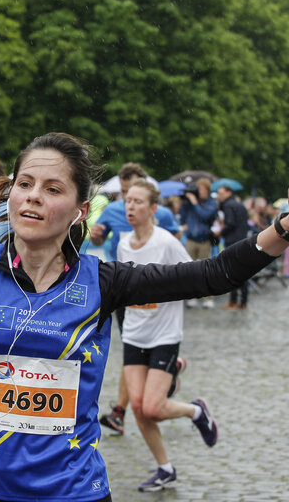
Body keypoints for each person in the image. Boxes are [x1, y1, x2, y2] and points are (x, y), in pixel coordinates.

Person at [0, 2, 289, 501]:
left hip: (75, 492)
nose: (34, 196)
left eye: (53, 188)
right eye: (25, 183)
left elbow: (213, 274)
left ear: (80, 210)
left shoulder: (103, 282)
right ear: (11, 194)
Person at [118, 179, 217, 491]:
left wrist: (162, 290)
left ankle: (196, 410)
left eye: (137, 202)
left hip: (164, 334)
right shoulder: (122, 244)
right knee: (136, 406)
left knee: (153, 408)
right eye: (128, 201)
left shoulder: (166, 243)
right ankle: (165, 468)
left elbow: (193, 279)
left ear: (153, 209)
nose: (130, 207)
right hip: (134, 333)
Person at [90, 163, 181, 435]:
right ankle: (120, 409)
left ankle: (166, 368)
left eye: (136, 196)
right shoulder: (112, 210)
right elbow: (99, 238)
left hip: (157, 302)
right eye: (126, 194)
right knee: (132, 348)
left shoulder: (161, 214)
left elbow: (174, 241)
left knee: (146, 349)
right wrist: (97, 233)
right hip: (125, 288)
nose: (130, 203)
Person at [179, 177, 218, 308]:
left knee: (205, 270)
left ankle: (208, 298)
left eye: (201, 189)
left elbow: (205, 216)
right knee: (189, 269)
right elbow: (183, 216)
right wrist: (185, 200)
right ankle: (192, 296)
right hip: (190, 238)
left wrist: (195, 203)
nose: (199, 191)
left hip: (204, 239)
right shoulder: (189, 203)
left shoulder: (211, 203)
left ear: (207, 190)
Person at [216, 184, 251, 309]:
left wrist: (220, 232)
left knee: (231, 272)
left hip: (232, 241)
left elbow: (230, 223)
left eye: (221, 193)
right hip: (242, 239)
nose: (220, 196)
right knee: (243, 271)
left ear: (228, 193)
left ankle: (233, 300)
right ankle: (244, 301)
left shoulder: (228, 205)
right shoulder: (239, 204)